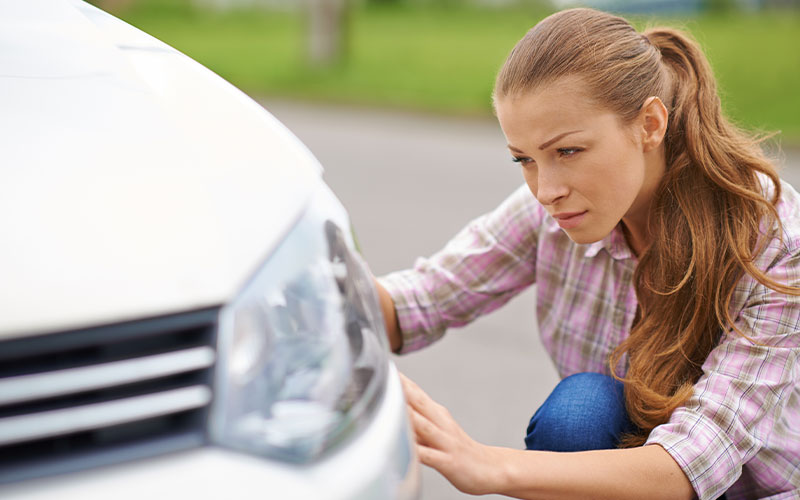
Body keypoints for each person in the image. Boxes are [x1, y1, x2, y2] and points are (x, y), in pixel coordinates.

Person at [373, 8, 800, 500]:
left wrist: (489, 465)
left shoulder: (775, 241)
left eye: (568, 151)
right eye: (524, 160)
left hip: (756, 490)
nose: (546, 190)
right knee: (580, 412)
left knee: (580, 417)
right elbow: (420, 301)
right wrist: (301, 284)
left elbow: (694, 461)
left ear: (650, 124)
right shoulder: (555, 209)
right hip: (636, 475)